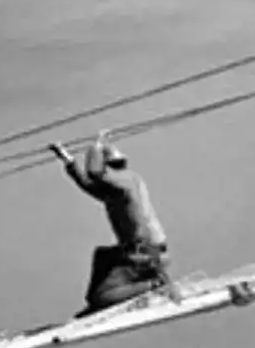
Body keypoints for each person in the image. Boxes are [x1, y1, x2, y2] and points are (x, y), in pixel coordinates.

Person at [49, 132, 172, 315]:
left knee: (101, 297)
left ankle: (155, 285)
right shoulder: (115, 193)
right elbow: (86, 182)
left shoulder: (126, 181)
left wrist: (96, 146)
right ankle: (98, 301)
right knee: (102, 256)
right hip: (146, 250)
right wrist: (65, 156)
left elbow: (94, 172)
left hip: (145, 252)